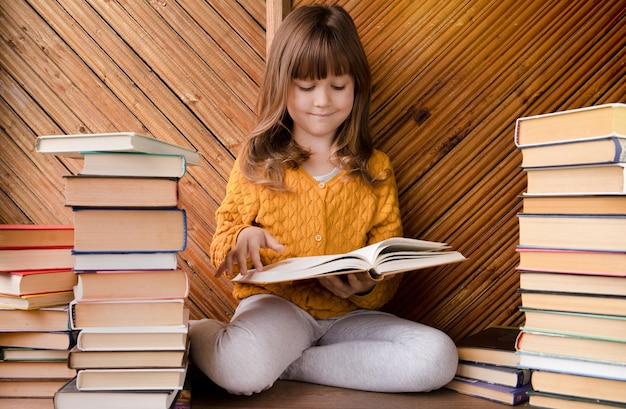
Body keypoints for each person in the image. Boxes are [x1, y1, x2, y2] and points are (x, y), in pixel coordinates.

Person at [190, 4, 458, 395]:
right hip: (276, 310)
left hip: (348, 318)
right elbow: (221, 246)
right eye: (306, 87)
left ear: (356, 87)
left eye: (337, 86)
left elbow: (387, 271)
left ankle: (287, 364)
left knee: (437, 356)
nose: (322, 101)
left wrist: (364, 288)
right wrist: (240, 239)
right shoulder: (258, 160)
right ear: (283, 85)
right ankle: (200, 335)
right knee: (239, 370)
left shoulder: (377, 169)